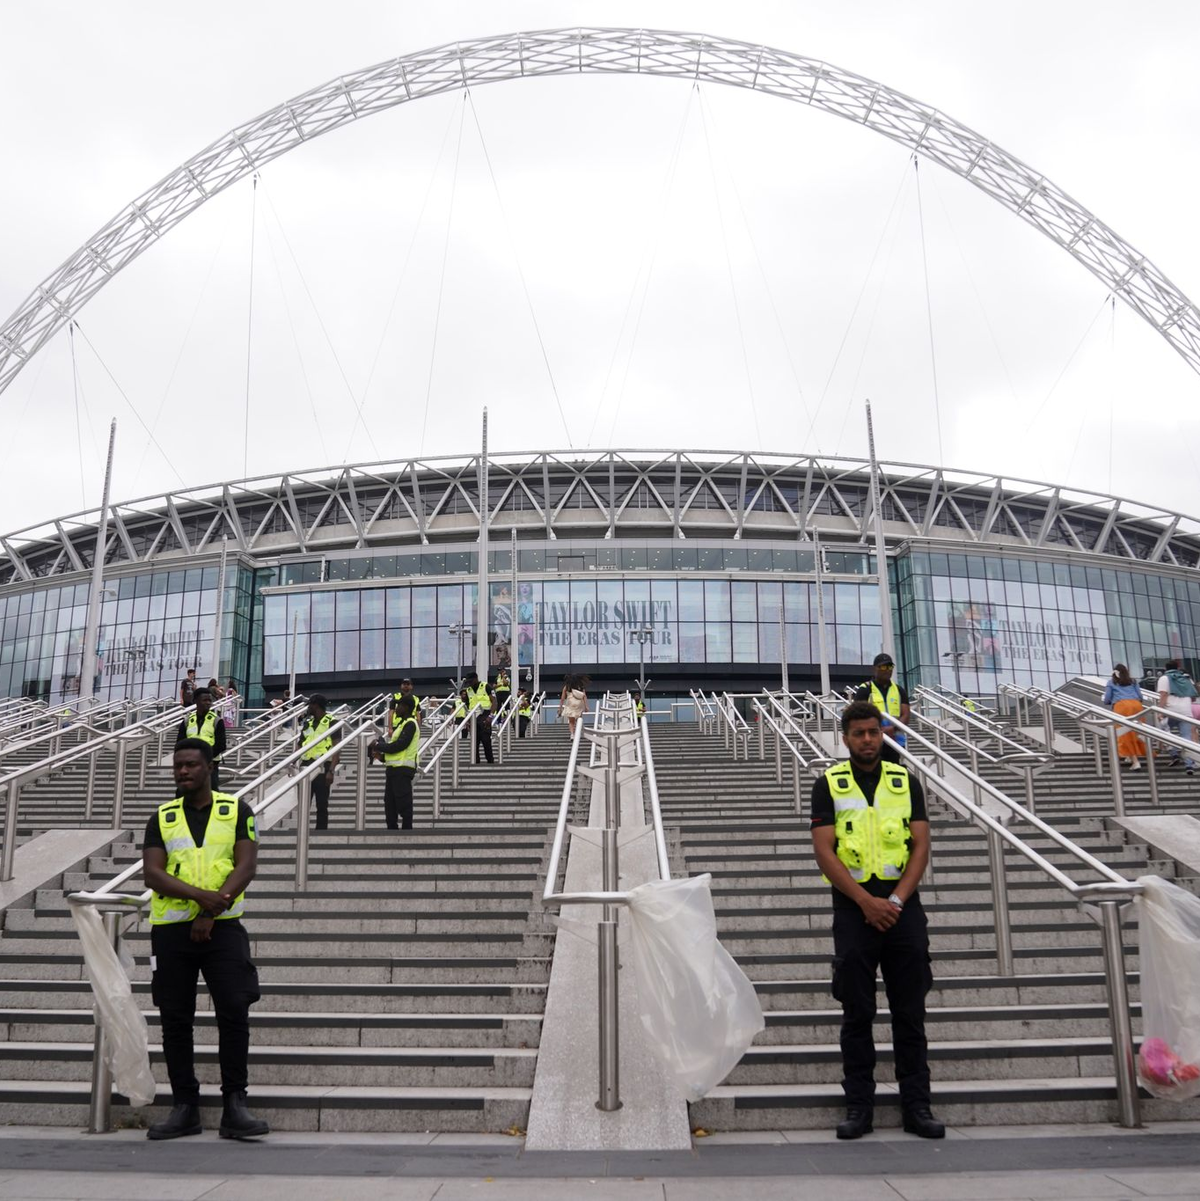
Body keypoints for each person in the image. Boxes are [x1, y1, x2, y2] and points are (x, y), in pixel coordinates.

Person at [809, 700, 941, 1141]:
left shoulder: (907, 781)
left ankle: (917, 1107)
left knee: (910, 1012)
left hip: (902, 910)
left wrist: (897, 901)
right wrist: (866, 902)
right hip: (854, 909)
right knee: (857, 1012)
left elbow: (920, 846)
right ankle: (859, 1107)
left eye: (874, 732)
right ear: (845, 738)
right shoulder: (829, 783)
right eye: (860, 733)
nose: (868, 740)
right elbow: (824, 850)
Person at [141, 739, 268, 1141]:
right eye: (178, 765)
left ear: (208, 767)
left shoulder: (237, 811)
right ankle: (185, 1107)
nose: (182, 771)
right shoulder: (161, 817)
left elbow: (246, 865)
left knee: (234, 1008)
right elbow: (152, 874)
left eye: (191, 765)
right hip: (172, 930)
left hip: (223, 928)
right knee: (175, 1018)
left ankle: (235, 1104)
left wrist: (211, 912)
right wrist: (200, 901)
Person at [854, 653, 910, 764]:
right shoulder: (866, 689)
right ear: (875, 669)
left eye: (890, 667)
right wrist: (877, 730)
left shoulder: (899, 690)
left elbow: (906, 715)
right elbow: (858, 716)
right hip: (872, 741)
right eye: (883, 667)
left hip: (895, 741)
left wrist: (892, 729)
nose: (887, 670)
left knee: (894, 775)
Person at [378, 695, 419, 830]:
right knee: (389, 803)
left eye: (399, 705)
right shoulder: (401, 725)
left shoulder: (411, 724)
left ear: (406, 707)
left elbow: (400, 746)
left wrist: (379, 745)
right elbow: (395, 749)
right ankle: (392, 830)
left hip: (403, 769)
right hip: (393, 769)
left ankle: (407, 831)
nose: (396, 709)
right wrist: (381, 757)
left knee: (403, 802)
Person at [299, 694, 340, 830]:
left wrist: (331, 770)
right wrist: (291, 763)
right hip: (305, 767)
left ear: (316, 705)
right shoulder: (308, 723)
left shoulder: (332, 722)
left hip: (323, 767)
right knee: (303, 803)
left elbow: (336, 747)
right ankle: (302, 832)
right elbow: (300, 745)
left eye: (310, 704)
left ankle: (321, 832)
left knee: (322, 804)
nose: (308, 707)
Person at [177, 688, 227, 790]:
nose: (208, 703)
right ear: (195, 701)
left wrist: (203, 757)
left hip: (210, 766)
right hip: (190, 766)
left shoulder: (217, 720)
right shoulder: (187, 721)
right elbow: (180, 744)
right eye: (205, 700)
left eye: (210, 700)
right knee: (183, 794)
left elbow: (221, 745)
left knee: (211, 794)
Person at [1157, 659, 1199, 775]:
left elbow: (1164, 695)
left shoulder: (1164, 678)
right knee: (1186, 737)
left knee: (1163, 731)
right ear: (1177, 667)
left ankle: (1174, 753)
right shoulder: (1186, 678)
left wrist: (1160, 710)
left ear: (1166, 668)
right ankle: (1189, 764)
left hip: (1171, 710)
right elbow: (1193, 697)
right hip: (1186, 711)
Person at [1103, 665, 1146, 770]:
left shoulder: (1111, 682)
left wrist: (1109, 701)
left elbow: (1107, 699)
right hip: (1136, 706)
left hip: (1122, 706)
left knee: (1124, 733)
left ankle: (1135, 761)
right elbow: (1140, 697)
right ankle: (1128, 755)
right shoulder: (1133, 681)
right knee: (1135, 731)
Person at [464, 672, 495, 764]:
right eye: (468, 682)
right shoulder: (468, 690)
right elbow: (468, 705)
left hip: (485, 715)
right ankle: (476, 762)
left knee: (486, 740)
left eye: (471, 681)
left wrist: (491, 716)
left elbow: (494, 701)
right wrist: (468, 721)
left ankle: (490, 761)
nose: (469, 683)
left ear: (476, 679)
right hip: (473, 716)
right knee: (474, 741)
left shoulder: (486, 686)